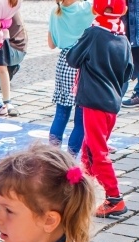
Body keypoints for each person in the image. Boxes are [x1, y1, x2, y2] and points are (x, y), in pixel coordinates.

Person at [66, 0, 133, 217]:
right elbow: (128, 72)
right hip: (111, 102)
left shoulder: (94, 33)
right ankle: (82, 185)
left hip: (94, 100)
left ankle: (115, 198)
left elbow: (73, 58)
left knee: (97, 150)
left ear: (97, 8)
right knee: (89, 148)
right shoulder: (123, 38)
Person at [47, 0, 93, 155]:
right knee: (80, 119)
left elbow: (51, 44)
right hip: (83, 63)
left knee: (61, 113)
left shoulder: (55, 11)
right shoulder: (87, 8)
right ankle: (71, 159)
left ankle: (53, 157)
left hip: (64, 63)